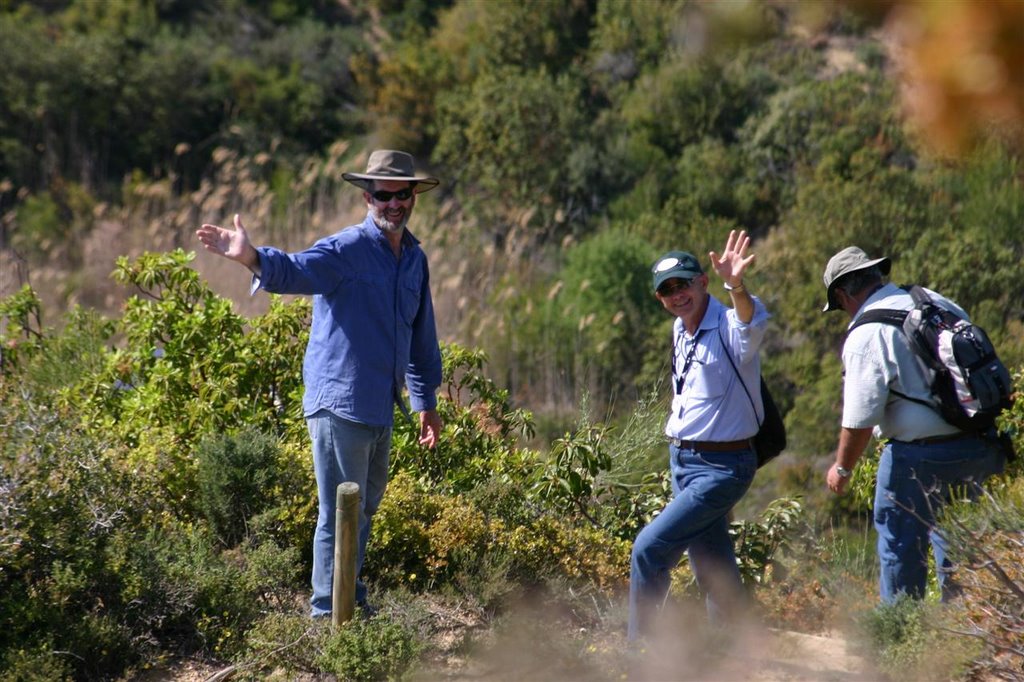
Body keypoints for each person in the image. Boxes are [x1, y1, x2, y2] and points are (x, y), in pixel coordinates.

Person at [195, 149, 443, 618]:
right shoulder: (346, 249)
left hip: (380, 406)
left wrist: (425, 401)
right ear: (367, 198)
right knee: (339, 511)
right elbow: (295, 269)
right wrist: (250, 256)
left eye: (401, 194)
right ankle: (329, 614)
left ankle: (350, 600)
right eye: (383, 195)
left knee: (363, 509)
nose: (393, 203)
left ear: (413, 196)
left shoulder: (414, 258)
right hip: (339, 403)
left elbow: (421, 335)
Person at [822, 246, 1006, 603]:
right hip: (979, 444)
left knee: (900, 551)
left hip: (916, 460)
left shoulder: (866, 333)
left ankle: (901, 640)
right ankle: (967, 638)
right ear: (877, 276)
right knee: (966, 549)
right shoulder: (936, 302)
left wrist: (843, 468)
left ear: (843, 294)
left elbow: (860, 419)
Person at [628, 230, 769, 641]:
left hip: (723, 467)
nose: (677, 295)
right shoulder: (679, 330)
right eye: (667, 290)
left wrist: (736, 284)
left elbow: (749, 318)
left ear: (702, 282)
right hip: (684, 463)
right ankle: (738, 648)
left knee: (648, 550)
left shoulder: (728, 324)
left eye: (683, 284)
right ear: (660, 299)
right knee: (712, 563)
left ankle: (642, 655)